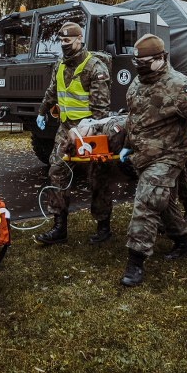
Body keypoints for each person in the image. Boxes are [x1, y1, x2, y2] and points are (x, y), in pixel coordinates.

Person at [118, 34, 187, 286]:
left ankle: (135, 261)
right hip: (144, 153)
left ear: (161, 58)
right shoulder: (138, 81)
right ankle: (183, 243)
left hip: (170, 154)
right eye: (137, 62)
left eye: (145, 62)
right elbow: (134, 117)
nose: (140, 66)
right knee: (164, 201)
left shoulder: (179, 86)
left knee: (147, 200)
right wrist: (127, 145)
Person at [35, 21, 113, 245]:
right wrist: (42, 111)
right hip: (66, 128)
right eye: (61, 41)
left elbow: (101, 111)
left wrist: (89, 128)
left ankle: (103, 225)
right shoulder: (60, 64)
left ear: (80, 39)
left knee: (97, 177)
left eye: (67, 41)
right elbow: (53, 91)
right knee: (57, 171)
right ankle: (59, 227)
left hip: (90, 130)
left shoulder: (95, 68)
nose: (64, 45)